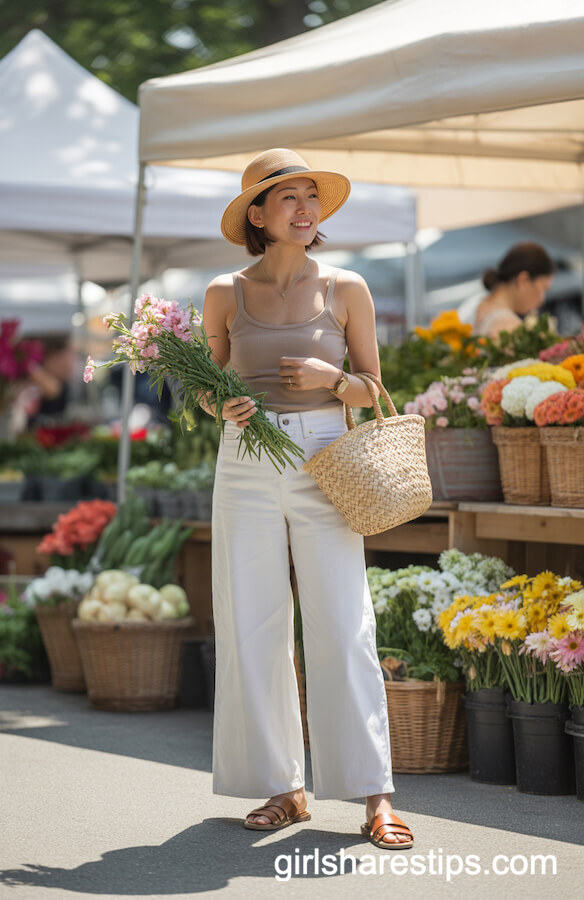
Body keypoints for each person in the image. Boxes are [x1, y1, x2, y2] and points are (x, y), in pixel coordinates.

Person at [199, 149, 413, 851]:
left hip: (326, 453)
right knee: (251, 622)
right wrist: (218, 403)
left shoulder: (346, 287)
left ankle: (374, 794)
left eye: (310, 197)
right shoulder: (223, 293)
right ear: (257, 216)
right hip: (245, 459)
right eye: (286, 198)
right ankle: (282, 787)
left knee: (343, 620)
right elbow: (204, 384)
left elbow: (372, 388)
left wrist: (334, 377)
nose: (304, 209)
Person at [474, 242, 555, 339]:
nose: (542, 300)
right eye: (543, 288)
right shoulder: (509, 326)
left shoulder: (476, 307)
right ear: (523, 280)